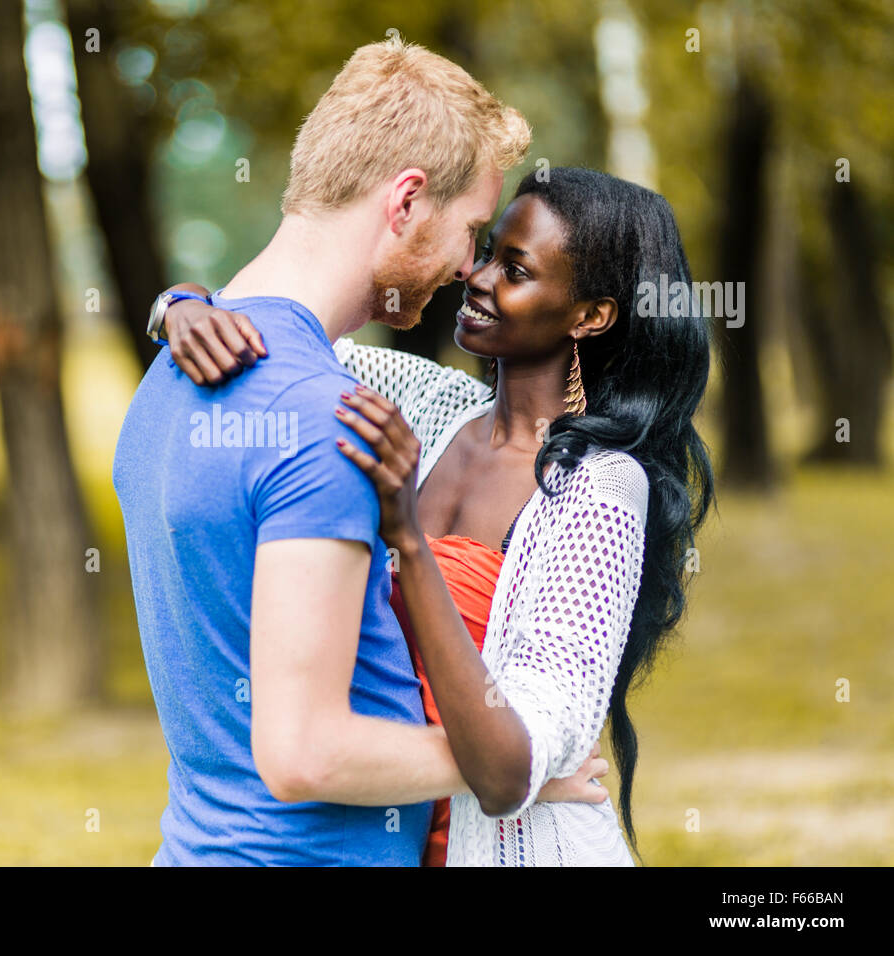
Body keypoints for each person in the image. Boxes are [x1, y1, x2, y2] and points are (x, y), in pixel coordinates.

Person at [112, 39, 607, 867]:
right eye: (471, 230)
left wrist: (178, 303)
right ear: (407, 200)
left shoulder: (169, 375)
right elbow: (304, 751)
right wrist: (510, 768)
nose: (464, 268)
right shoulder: (329, 421)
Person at [161, 166, 715, 865]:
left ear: (590, 315)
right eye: (487, 253)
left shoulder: (599, 491)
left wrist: (406, 540)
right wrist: (181, 304)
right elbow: (272, 335)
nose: (476, 278)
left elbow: (511, 761)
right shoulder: (425, 402)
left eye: (514, 270)